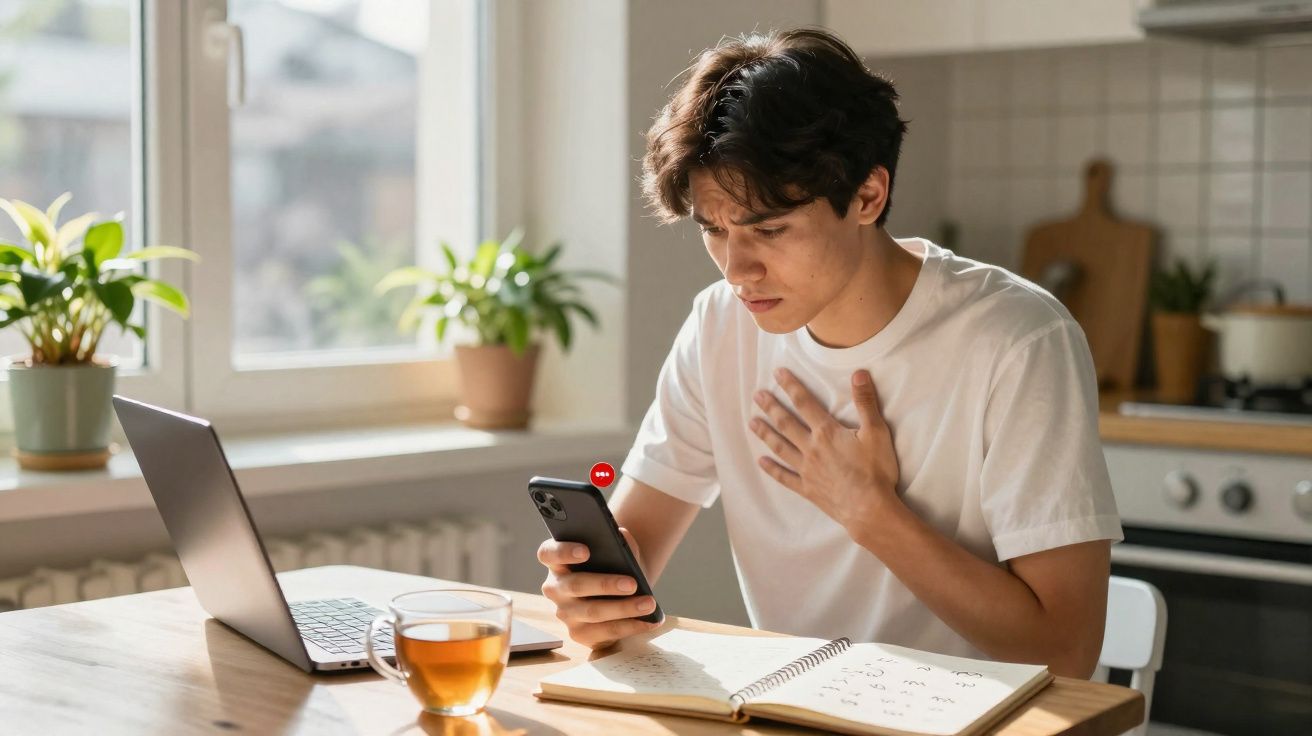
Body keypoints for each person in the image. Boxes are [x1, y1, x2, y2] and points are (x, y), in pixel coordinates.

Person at [537, 27, 1122, 679]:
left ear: (868, 195)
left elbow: (1065, 651)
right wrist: (593, 595)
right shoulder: (719, 326)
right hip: (792, 705)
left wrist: (869, 511)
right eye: (714, 230)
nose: (736, 269)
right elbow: (635, 540)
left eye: (769, 229)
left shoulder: (1018, 339)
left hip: (978, 714)